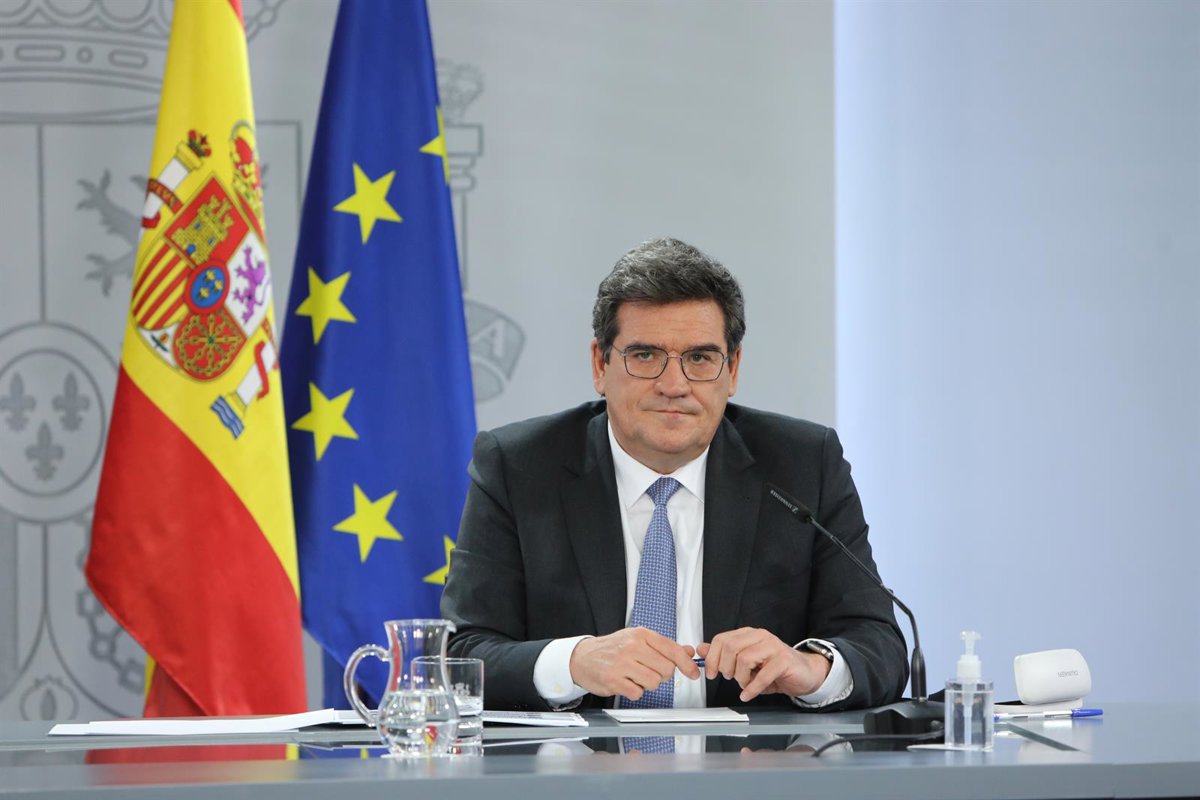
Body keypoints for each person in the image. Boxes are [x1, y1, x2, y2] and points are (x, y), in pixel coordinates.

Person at [441, 238, 907, 712]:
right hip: (577, 761)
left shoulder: (803, 465)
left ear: (733, 369)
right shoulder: (519, 467)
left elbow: (879, 645)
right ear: (601, 365)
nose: (674, 385)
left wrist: (809, 669)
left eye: (700, 358)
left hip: (752, 759)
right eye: (645, 356)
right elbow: (461, 654)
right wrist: (573, 662)